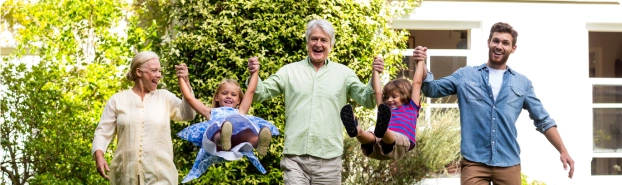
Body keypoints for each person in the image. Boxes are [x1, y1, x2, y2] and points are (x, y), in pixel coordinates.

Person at [414, 22, 574, 185]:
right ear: (488, 42)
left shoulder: (522, 83)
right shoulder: (466, 75)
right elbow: (431, 90)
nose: (499, 46)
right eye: (496, 41)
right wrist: (422, 65)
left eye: (505, 43)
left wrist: (563, 150)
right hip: (474, 163)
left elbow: (543, 120)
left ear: (513, 48)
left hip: (508, 163)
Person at [246, 19, 384, 184]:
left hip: (329, 160)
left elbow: (368, 100)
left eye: (323, 40)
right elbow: (259, 94)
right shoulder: (289, 71)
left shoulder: (344, 74)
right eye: (314, 39)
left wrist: (375, 74)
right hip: (294, 159)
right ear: (307, 42)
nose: (318, 43)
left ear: (331, 45)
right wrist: (254, 74)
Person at [91, 51, 196, 184]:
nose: (159, 75)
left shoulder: (164, 97)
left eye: (160, 71)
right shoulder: (118, 100)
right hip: (125, 176)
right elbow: (103, 132)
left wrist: (186, 82)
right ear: (139, 72)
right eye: (154, 70)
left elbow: (188, 114)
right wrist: (99, 156)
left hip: (160, 176)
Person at [175, 61, 279, 183]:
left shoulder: (240, 111)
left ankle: (257, 142)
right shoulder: (211, 112)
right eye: (224, 93)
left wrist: (255, 72)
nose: (229, 96)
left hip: (235, 144)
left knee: (246, 131)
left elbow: (250, 91)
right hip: (215, 145)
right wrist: (181, 77)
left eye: (233, 95)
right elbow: (189, 97)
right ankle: (222, 137)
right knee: (215, 130)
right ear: (216, 97)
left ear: (239, 100)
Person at [340, 55, 424, 161]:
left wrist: (420, 61)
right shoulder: (385, 109)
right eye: (386, 97)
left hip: (400, 141)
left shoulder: (412, 106)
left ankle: (383, 130)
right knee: (371, 136)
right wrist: (375, 70)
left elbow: (417, 83)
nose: (389, 100)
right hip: (379, 147)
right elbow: (378, 91)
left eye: (394, 96)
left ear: (404, 95)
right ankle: (358, 131)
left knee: (383, 133)